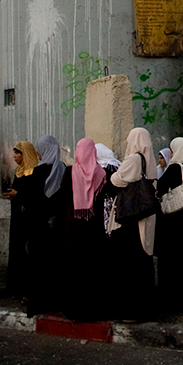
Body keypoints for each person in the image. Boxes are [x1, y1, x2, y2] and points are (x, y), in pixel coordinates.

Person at [62, 138, 118, 321]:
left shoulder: (70, 172)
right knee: (93, 266)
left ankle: (75, 309)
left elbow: (63, 196)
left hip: (74, 226)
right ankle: (94, 309)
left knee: (75, 267)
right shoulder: (101, 173)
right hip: (94, 227)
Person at [107, 127, 157, 320]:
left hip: (131, 219)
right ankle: (146, 309)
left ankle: (131, 310)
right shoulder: (149, 160)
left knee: (129, 264)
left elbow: (116, 180)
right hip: (145, 215)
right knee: (142, 263)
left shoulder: (134, 159)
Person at [24, 135, 71, 316]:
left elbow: (31, 203)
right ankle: (57, 301)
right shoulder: (64, 169)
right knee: (56, 265)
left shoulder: (38, 172)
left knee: (40, 267)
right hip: (58, 227)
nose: (38, 153)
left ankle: (41, 303)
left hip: (40, 228)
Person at [154, 137, 183, 313]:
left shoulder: (175, 167)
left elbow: (160, 187)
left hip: (176, 220)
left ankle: (176, 300)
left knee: (175, 259)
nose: (171, 153)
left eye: (172, 150)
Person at [1, 140, 40, 300]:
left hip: (29, 218)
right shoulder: (19, 171)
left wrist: (18, 194)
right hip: (18, 216)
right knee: (17, 250)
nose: (15, 156)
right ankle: (16, 288)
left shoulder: (35, 173)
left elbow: (35, 197)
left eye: (18, 153)